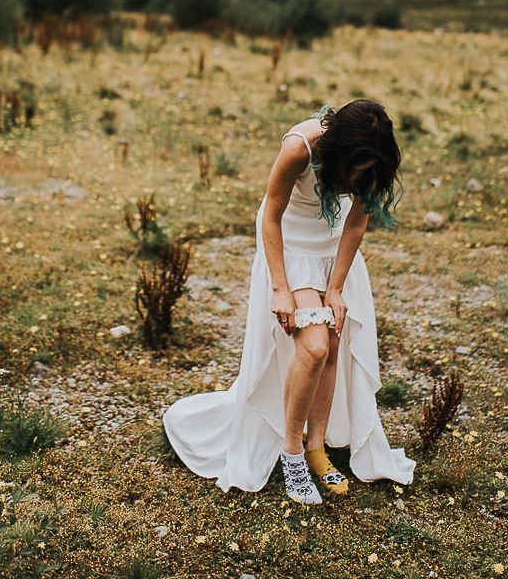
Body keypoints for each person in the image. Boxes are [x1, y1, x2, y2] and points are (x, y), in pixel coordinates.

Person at [162, 99, 416, 505]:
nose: (355, 178)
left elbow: (355, 221)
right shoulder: (301, 148)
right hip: (290, 248)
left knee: (332, 341)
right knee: (313, 346)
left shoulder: (373, 158)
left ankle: (316, 448)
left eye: (364, 171)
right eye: (352, 168)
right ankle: (291, 453)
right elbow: (272, 215)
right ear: (336, 151)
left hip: (331, 249)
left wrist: (335, 288)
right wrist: (280, 287)